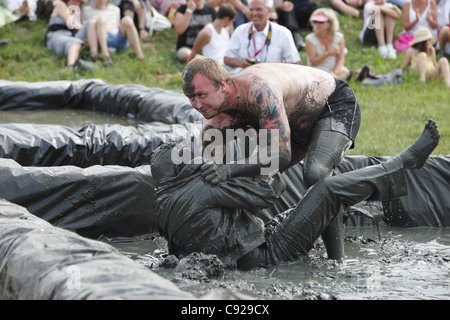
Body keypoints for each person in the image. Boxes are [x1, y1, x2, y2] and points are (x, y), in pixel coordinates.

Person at [151, 120, 440, 269]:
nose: (198, 159)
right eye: (190, 157)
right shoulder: (202, 185)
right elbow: (267, 194)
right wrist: (262, 162)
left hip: (245, 257)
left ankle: (335, 264)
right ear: (181, 168)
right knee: (326, 189)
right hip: (267, 256)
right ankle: (401, 164)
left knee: (318, 197)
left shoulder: (161, 206)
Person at [181, 56, 361, 260]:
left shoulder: (259, 90)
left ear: (223, 85)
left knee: (315, 173)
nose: (197, 105)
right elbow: (214, 180)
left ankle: (337, 260)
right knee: (246, 182)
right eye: (190, 98)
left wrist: (228, 170)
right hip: (292, 125)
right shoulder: (213, 124)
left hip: (331, 105)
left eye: (201, 95)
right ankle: (244, 247)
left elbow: (281, 155)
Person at [223, 0, 301, 74]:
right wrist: (241, 63)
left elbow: (295, 63)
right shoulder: (240, 31)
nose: (254, 13)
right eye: (251, 9)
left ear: (269, 11)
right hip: (245, 78)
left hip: (273, 79)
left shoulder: (283, 33)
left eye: (258, 9)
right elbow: (227, 59)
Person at [45, 0, 98, 70]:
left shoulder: (77, 14)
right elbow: (72, 24)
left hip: (71, 36)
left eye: (78, 2)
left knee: (91, 23)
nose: (75, 3)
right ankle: (71, 66)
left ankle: (94, 57)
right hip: (57, 36)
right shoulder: (60, 5)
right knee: (75, 42)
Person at [305, 8, 352, 80]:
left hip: (334, 68)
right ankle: (340, 78)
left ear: (330, 23)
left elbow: (340, 58)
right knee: (325, 73)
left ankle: (334, 78)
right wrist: (327, 53)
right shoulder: (310, 39)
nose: (317, 24)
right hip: (317, 68)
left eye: (321, 22)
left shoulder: (339, 37)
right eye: (315, 21)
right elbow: (313, 62)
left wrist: (335, 71)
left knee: (343, 70)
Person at [187, 2, 237, 68]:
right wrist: (186, 73)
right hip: (216, 69)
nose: (230, 24)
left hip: (228, 65)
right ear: (226, 19)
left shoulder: (225, 31)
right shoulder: (207, 33)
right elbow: (193, 53)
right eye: (231, 21)